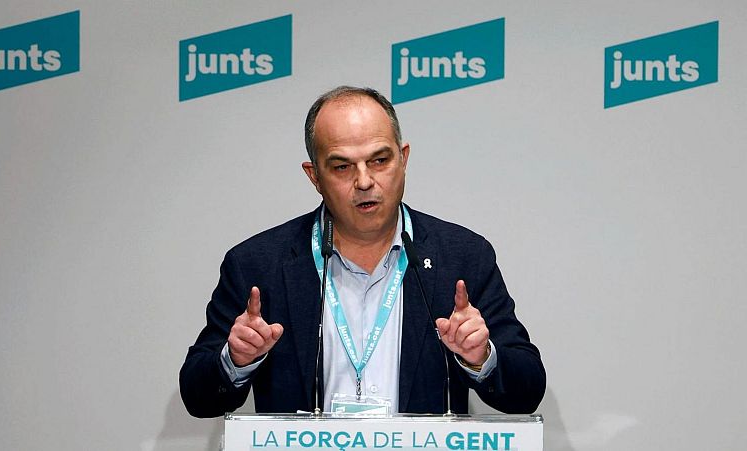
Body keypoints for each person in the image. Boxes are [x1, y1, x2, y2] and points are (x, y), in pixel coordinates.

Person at [180, 86, 545, 418]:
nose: (365, 181)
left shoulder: (462, 256)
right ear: (314, 176)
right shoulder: (257, 264)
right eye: (342, 167)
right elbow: (198, 397)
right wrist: (236, 360)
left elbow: (527, 390)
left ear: (403, 158)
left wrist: (481, 357)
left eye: (379, 160)